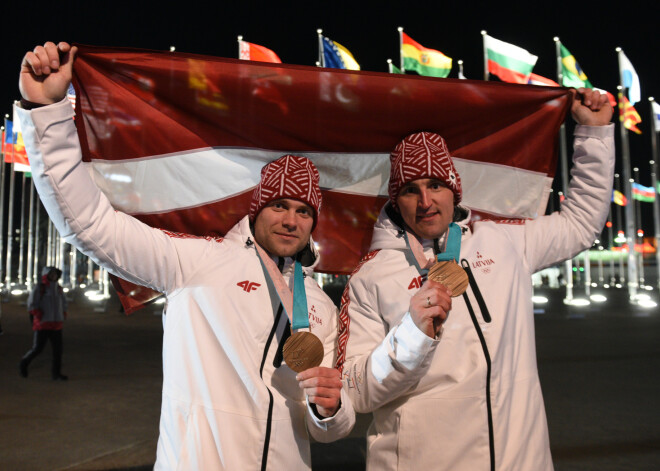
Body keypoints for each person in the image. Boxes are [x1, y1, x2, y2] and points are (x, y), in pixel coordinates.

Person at [17, 41, 354, 470]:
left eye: (304, 212)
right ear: (256, 210)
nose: (291, 220)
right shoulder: (196, 263)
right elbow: (89, 223)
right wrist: (46, 112)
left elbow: (329, 429)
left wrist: (330, 409)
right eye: (279, 206)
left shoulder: (322, 307)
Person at [337, 89, 613, 470]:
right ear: (394, 201)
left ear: (454, 189)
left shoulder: (505, 242)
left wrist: (594, 136)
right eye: (410, 191)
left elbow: (581, 222)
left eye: (435, 185)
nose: (426, 202)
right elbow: (355, 389)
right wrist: (410, 338)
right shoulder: (372, 276)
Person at [20, 266, 68, 380]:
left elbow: (64, 303)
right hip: (43, 324)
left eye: (55, 274)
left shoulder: (59, 289)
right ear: (46, 275)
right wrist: (38, 314)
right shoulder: (40, 288)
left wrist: (63, 314)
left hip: (56, 325)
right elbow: (31, 303)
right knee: (37, 349)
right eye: (51, 274)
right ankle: (23, 363)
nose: (53, 276)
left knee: (58, 351)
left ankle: (56, 374)